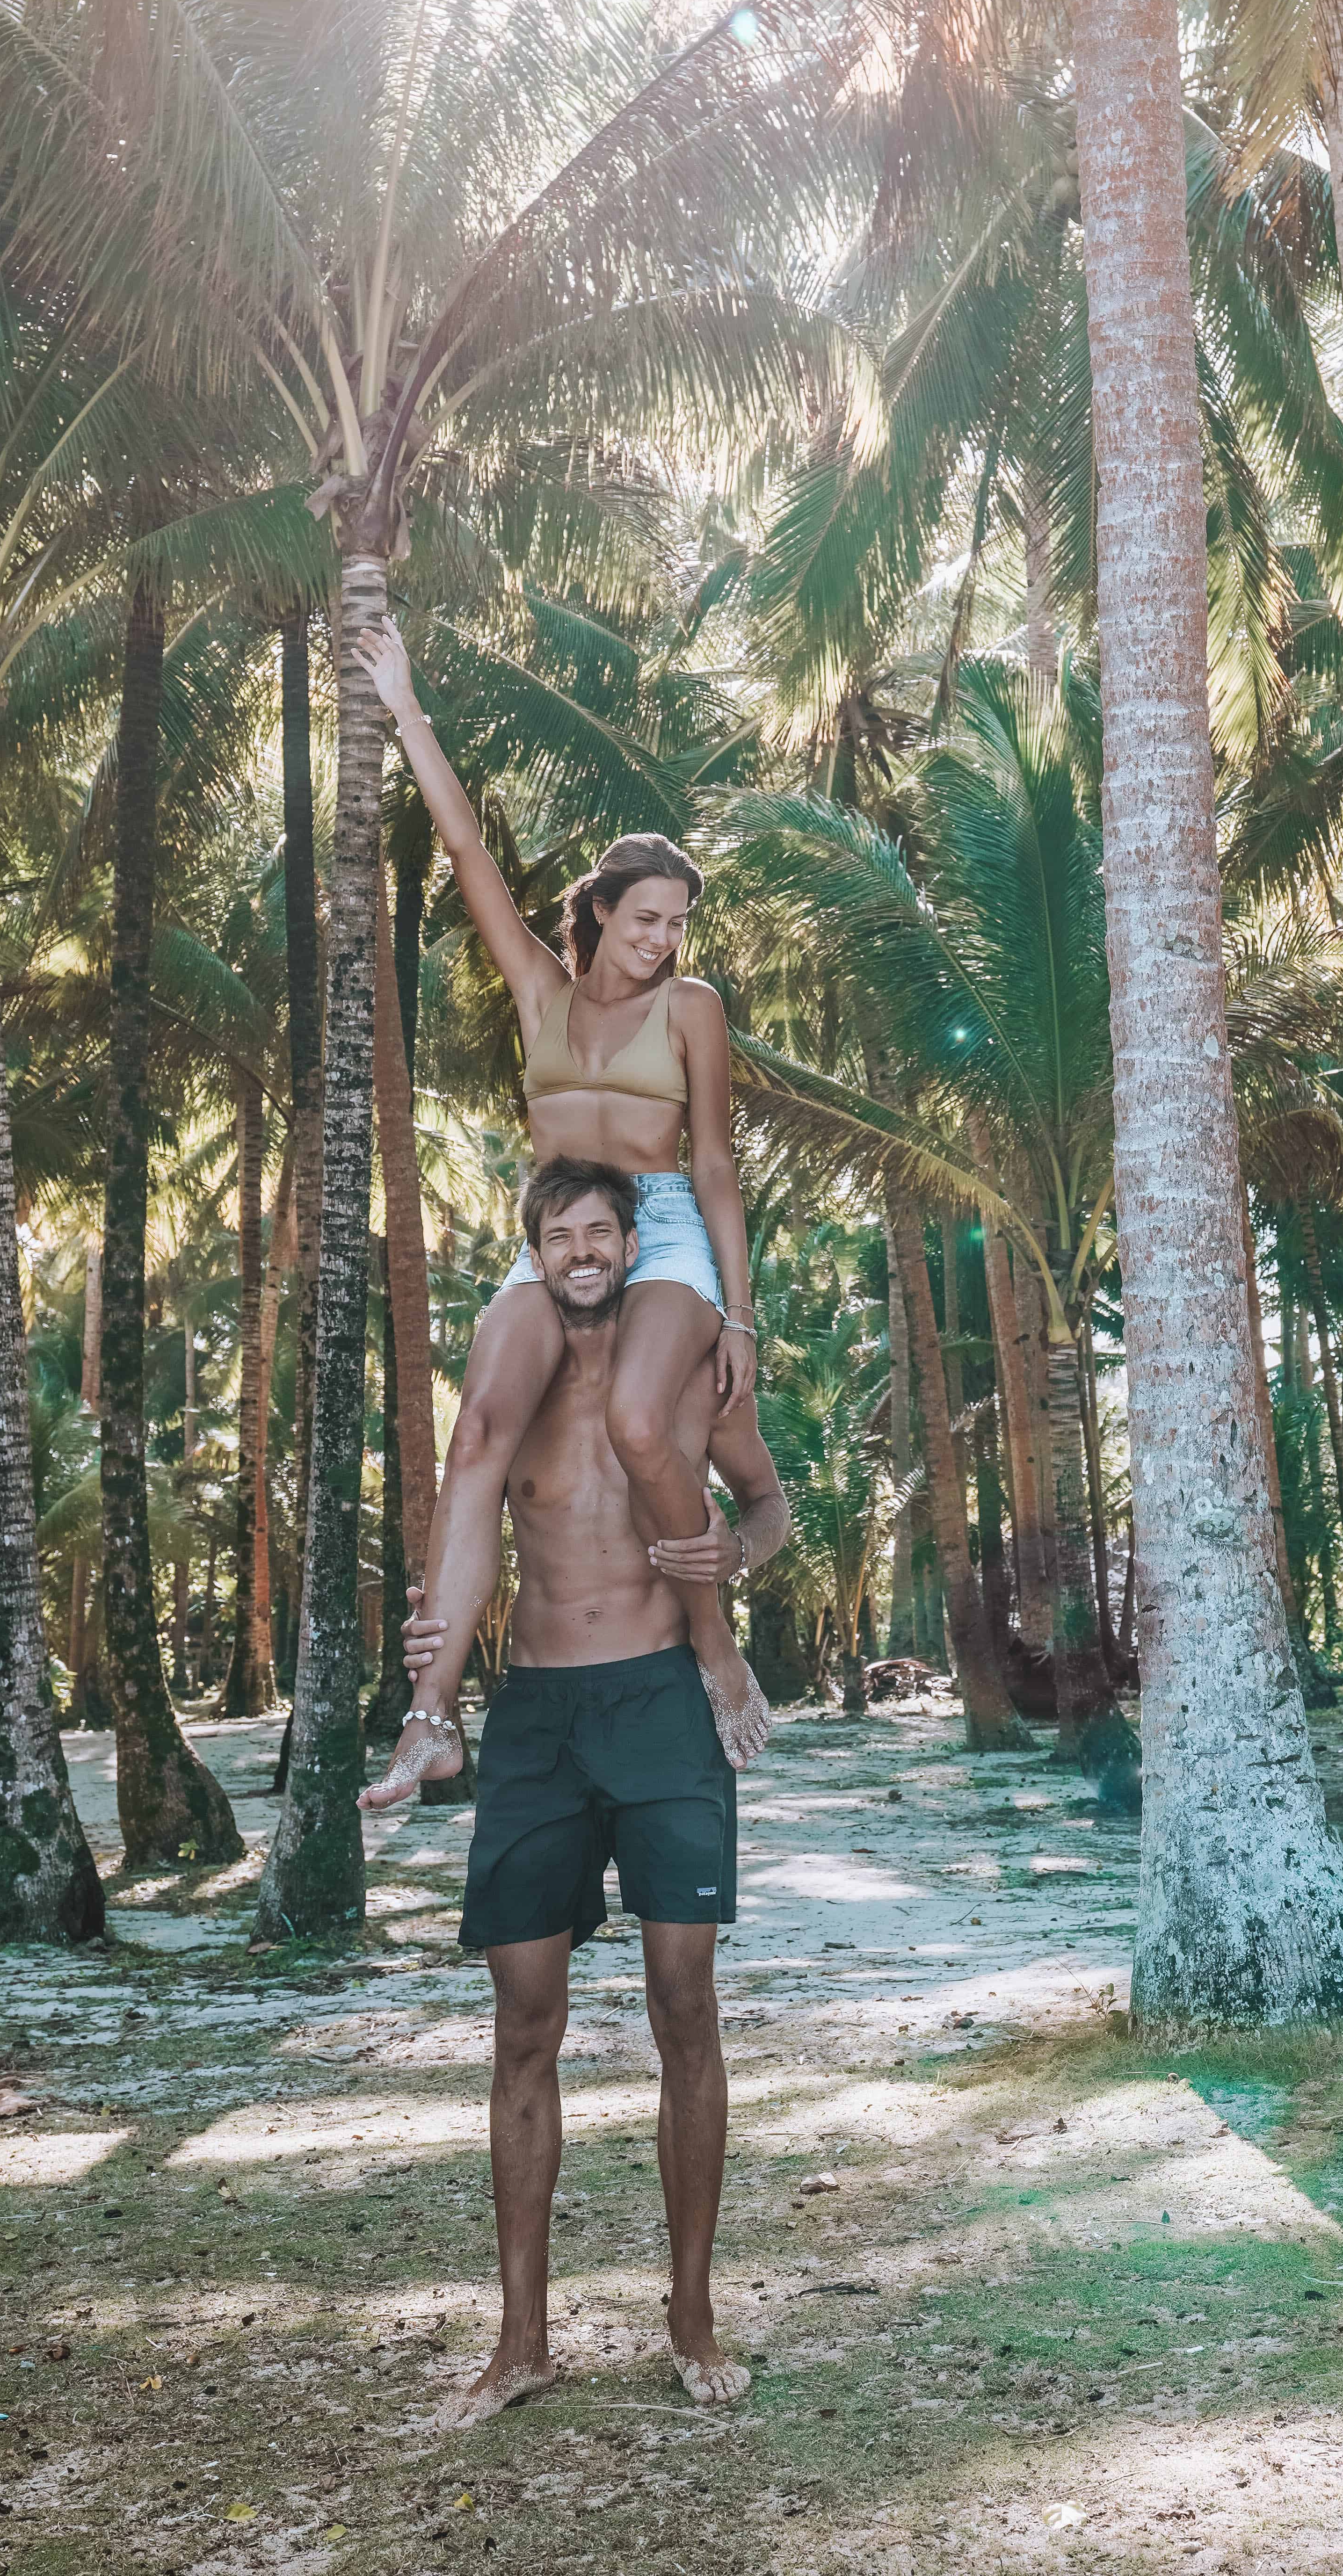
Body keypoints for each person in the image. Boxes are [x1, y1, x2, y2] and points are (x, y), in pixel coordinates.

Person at [353, 616, 779, 1789]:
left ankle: (713, 1646)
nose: (663, 938)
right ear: (599, 912)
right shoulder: (540, 992)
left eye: (678, 922)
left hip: (662, 1225)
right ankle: (433, 1717)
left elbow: (716, 1167)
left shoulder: (691, 1007)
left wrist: (737, 1318)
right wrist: (403, 705)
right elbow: (468, 852)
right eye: (647, 917)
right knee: (480, 1426)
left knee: (644, 1423)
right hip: (552, 1228)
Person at [404, 1157, 784, 2416]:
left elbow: (771, 1505)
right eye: (560, 1235)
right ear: (535, 1252)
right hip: (540, 1721)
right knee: (524, 2028)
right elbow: (464, 1504)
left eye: (602, 1232)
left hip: (665, 1710)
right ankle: (522, 2341)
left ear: (634, 1243)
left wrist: (743, 1551)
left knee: (686, 2003)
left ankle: (691, 2315)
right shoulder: (510, 1387)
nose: (583, 1251)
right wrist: (432, 1691)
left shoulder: (680, 1374)